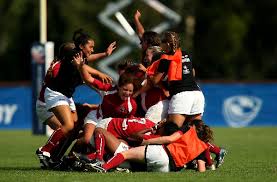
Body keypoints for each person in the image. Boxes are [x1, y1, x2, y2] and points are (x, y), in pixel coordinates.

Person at [35, 29, 114, 168]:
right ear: (81, 47)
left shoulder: (79, 57)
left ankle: (54, 159)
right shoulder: (73, 56)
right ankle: (44, 150)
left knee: (73, 129)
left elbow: (86, 61)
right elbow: (85, 71)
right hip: (55, 94)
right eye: (90, 47)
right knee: (68, 126)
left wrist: (105, 54)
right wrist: (99, 75)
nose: (92, 49)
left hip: (65, 96)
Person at [86, 121, 208, 173]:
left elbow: (170, 139)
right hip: (167, 169)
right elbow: (202, 170)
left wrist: (148, 139)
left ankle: (102, 166)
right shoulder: (201, 146)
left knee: (124, 154)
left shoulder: (186, 130)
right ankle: (95, 161)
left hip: (161, 154)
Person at [143, 31, 205, 127]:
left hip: (182, 95)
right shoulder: (186, 54)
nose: (161, 46)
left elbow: (155, 81)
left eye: (162, 43)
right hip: (197, 94)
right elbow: (192, 73)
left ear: (167, 44)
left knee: (173, 130)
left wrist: (147, 72)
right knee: (196, 130)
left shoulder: (166, 58)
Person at [70, 72, 138, 155]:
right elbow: (89, 79)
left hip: (111, 127)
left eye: (130, 91)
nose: (127, 93)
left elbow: (129, 123)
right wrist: (80, 66)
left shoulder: (132, 105)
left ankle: (90, 158)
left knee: (119, 146)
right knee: (87, 139)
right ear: (119, 87)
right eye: (125, 89)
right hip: (97, 118)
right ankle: (70, 156)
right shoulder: (108, 90)